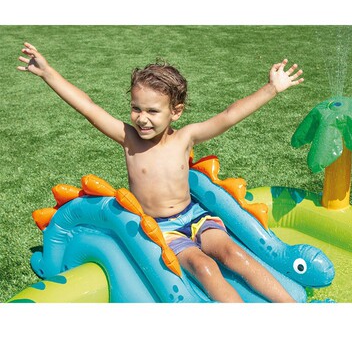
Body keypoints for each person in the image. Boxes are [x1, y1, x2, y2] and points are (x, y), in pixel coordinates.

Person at [18, 42, 304, 303]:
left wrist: (272, 88)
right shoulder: (129, 139)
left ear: (175, 112)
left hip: (196, 217)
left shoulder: (185, 137)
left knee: (233, 254)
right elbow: (89, 108)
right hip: (162, 230)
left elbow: (229, 116)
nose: (142, 119)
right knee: (204, 266)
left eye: (152, 111)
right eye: (136, 108)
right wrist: (48, 74)